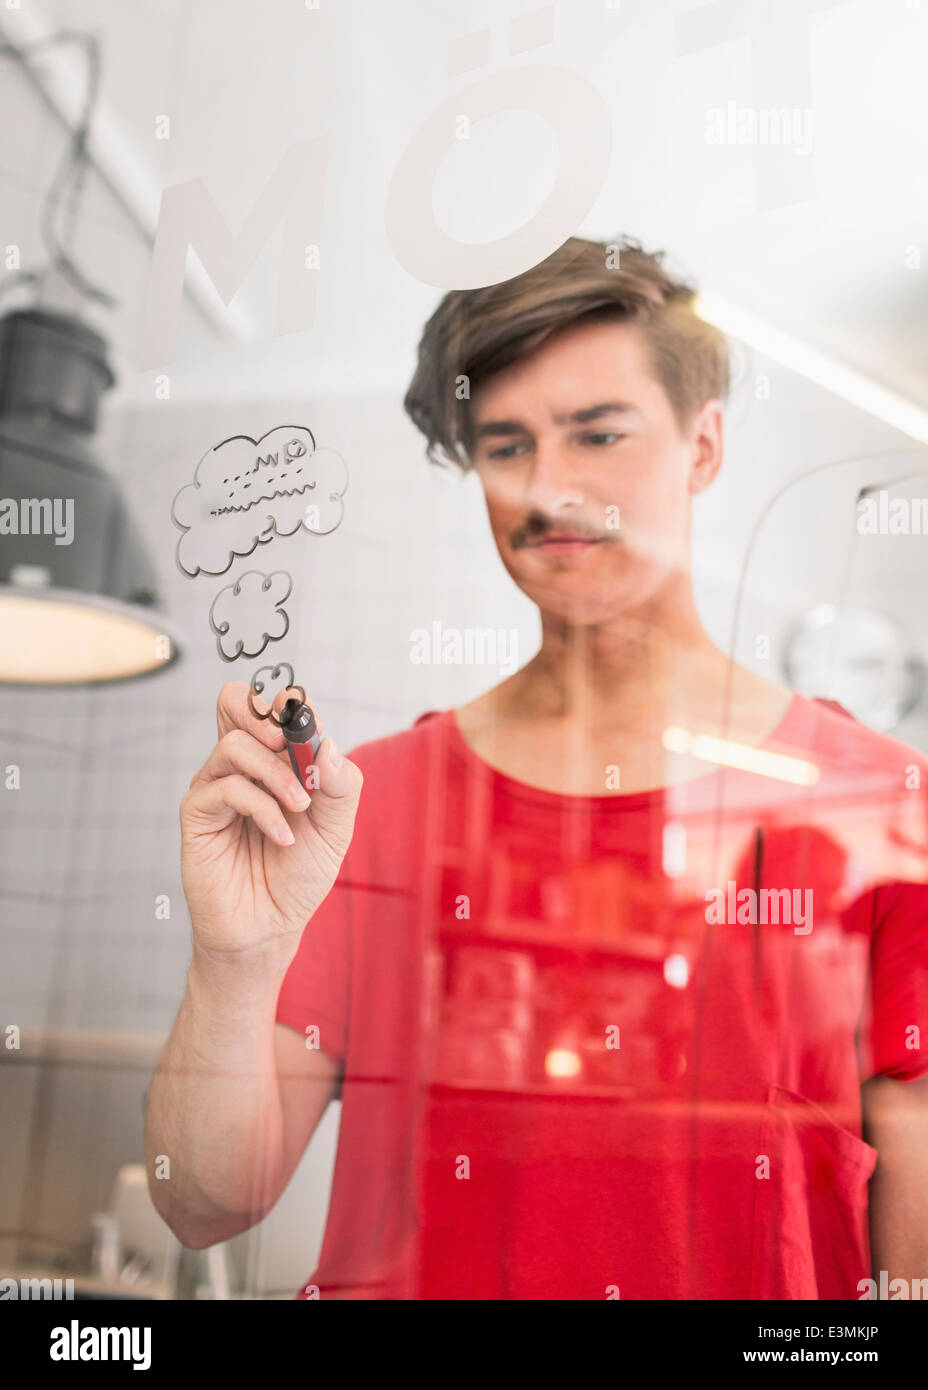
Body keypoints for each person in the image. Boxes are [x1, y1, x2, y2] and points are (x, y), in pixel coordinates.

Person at [145, 236, 928, 1300]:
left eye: (598, 434)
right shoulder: (366, 807)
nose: (549, 489)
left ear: (703, 448)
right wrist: (233, 959)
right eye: (506, 447)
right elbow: (202, 1203)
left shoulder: (877, 802)